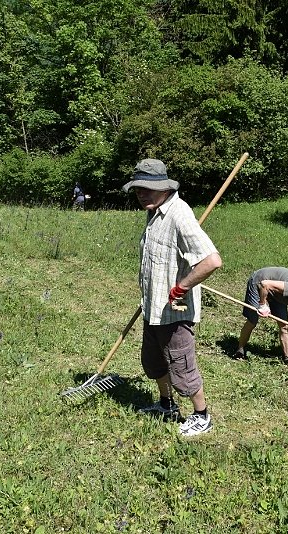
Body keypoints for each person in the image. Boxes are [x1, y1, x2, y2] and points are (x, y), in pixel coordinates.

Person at [122, 158, 222, 437]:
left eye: (146, 188)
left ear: (163, 187)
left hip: (175, 312)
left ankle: (202, 416)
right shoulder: (154, 212)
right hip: (153, 307)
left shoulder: (179, 214)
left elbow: (211, 260)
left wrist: (181, 287)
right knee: (154, 362)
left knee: (182, 366)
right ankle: (167, 405)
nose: (140, 194)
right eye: (137, 189)